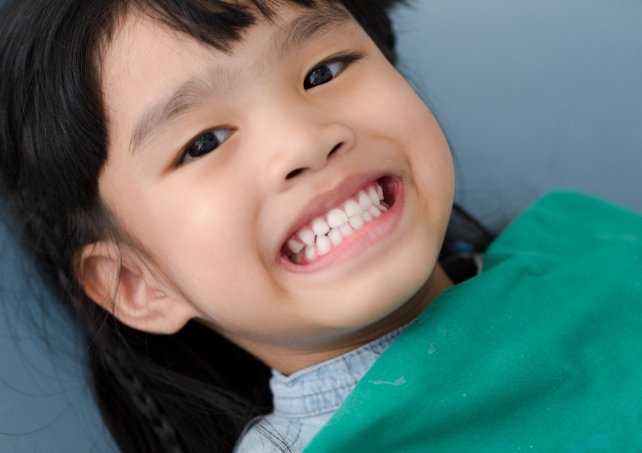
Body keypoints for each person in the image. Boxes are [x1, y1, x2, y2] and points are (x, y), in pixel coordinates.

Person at [1, 1, 640, 452]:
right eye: (204, 142)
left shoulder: (587, 246)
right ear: (138, 284)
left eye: (323, 71)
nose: (305, 141)